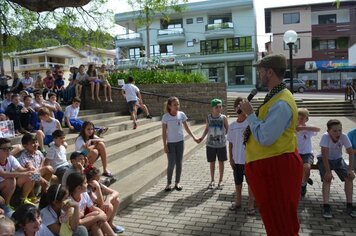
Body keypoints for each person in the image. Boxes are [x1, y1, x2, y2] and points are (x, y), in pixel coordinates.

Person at [239, 54, 303, 236]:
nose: (258, 75)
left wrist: (251, 115)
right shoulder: (275, 96)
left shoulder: (281, 102)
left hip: (277, 168)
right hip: (272, 166)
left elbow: (265, 137)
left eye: (260, 71)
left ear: (270, 72)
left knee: (281, 222)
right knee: (274, 220)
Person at [317, 119, 356, 218]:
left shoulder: (344, 136)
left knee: (349, 177)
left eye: (340, 130)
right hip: (325, 160)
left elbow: (351, 153)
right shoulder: (325, 137)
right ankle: (326, 206)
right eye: (335, 131)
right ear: (329, 131)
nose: (338, 133)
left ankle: (349, 205)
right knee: (327, 179)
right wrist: (328, 172)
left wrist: (350, 169)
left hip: (338, 159)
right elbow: (324, 155)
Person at [162, 96, 198, 191]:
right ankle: (168, 183)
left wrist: (194, 137)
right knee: (171, 163)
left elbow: (187, 128)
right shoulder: (166, 117)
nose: (177, 106)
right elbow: (164, 132)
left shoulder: (181, 114)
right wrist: (165, 145)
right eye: (175, 104)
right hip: (170, 143)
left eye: (178, 104)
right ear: (170, 106)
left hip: (180, 142)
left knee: (179, 163)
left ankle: (177, 182)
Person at [226, 97, 255, 215]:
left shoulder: (251, 123)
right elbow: (231, 143)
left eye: (242, 105)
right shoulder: (232, 126)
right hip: (237, 160)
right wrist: (231, 158)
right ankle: (237, 202)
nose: (240, 108)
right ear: (235, 109)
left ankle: (251, 204)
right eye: (238, 106)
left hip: (249, 160)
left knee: (251, 184)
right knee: (238, 183)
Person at [198, 98, 228, 190]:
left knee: (221, 162)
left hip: (221, 144)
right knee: (212, 162)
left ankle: (221, 180)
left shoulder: (223, 117)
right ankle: (212, 180)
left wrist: (223, 136)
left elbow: (227, 128)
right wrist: (202, 137)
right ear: (212, 108)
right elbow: (207, 128)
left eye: (220, 106)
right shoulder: (208, 117)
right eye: (216, 107)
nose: (219, 108)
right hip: (210, 144)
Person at [84, 165, 124, 234]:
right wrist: (98, 188)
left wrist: (108, 199)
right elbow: (100, 203)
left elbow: (116, 192)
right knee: (109, 207)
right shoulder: (88, 190)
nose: (99, 181)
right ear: (90, 180)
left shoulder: (99, 184)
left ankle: (110, 224)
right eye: (97, 179)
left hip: (97, 208)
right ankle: (103, 229)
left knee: (116, 200)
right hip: (91, 211)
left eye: (99, 179)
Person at [0, 138, 34, 217]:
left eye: (10, 148)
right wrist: (25, 173)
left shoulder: (10, 158)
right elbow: (4, 174)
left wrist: (29, 168)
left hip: (7, 186)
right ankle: (6, 205)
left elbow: (21, 169)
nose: (8, 151)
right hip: (5, 184)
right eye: (5, 149)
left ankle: (23, 199)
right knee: (11, 180)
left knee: (32, 175)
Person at [18, 133, 54, 203]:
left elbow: (42, 164)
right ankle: (28, 196)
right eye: (32, 143)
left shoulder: (38, 152)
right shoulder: (24, 156)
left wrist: (42, 176)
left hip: (36, 174)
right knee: (31, 175)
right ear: (25, 146)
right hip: (27, 177)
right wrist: (42, 180)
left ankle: (43, 192)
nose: (36, 144)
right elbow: (31, 169)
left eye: (36, 142)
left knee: (49, 168)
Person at [296, 108, 320, 197]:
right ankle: (303, 179)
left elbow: (318, 129)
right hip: (295, 153)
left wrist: (305, 127)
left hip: (307, 153)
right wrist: (297, 128)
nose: (299, 120)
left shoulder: (308, 129)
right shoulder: (293, 128)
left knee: (307, 167)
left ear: (306, 119)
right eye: (297, 118)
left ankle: (303, 184)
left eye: (302, 119)